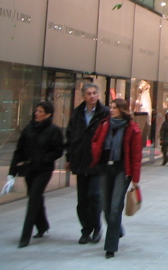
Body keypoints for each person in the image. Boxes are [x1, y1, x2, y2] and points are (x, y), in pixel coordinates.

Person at [90, 99, 142, 259]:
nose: (111, 110)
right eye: (110, 107)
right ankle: (117, 229)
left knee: (115, 207)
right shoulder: (104, 124)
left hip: (122, 169)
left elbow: (136, 155)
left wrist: (135, 178)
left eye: (114, 107)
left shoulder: (131, 128)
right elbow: (95, 142)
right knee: (105, 206)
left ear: (122, 109)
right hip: (105, 168)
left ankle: (110, 246)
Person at [7, 101, 63, 248]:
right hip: (29, 168)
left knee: (34, 199)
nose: (36, 113)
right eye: (36, 111)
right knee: (34, 196)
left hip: (44, 169)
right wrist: (12, 171)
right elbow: (19, 150)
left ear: (48, 114)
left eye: (40, 111)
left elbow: (57, 151)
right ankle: (43, 225)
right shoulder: (28, 129)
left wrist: (44, 159)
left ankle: (25, 236)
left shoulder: (53, 131)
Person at [65, 82, 110, 244]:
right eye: (88, 94)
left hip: (97, 162)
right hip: (80, 160)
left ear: (98, 95)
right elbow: (70, 136)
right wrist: (69, 158)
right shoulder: (77, 113)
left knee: (94, 196)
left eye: (94, 93)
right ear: (83, 96)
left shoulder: (105, 113)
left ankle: (97, 227)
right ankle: (86, 230)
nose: (92, 96)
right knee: (82, 200)